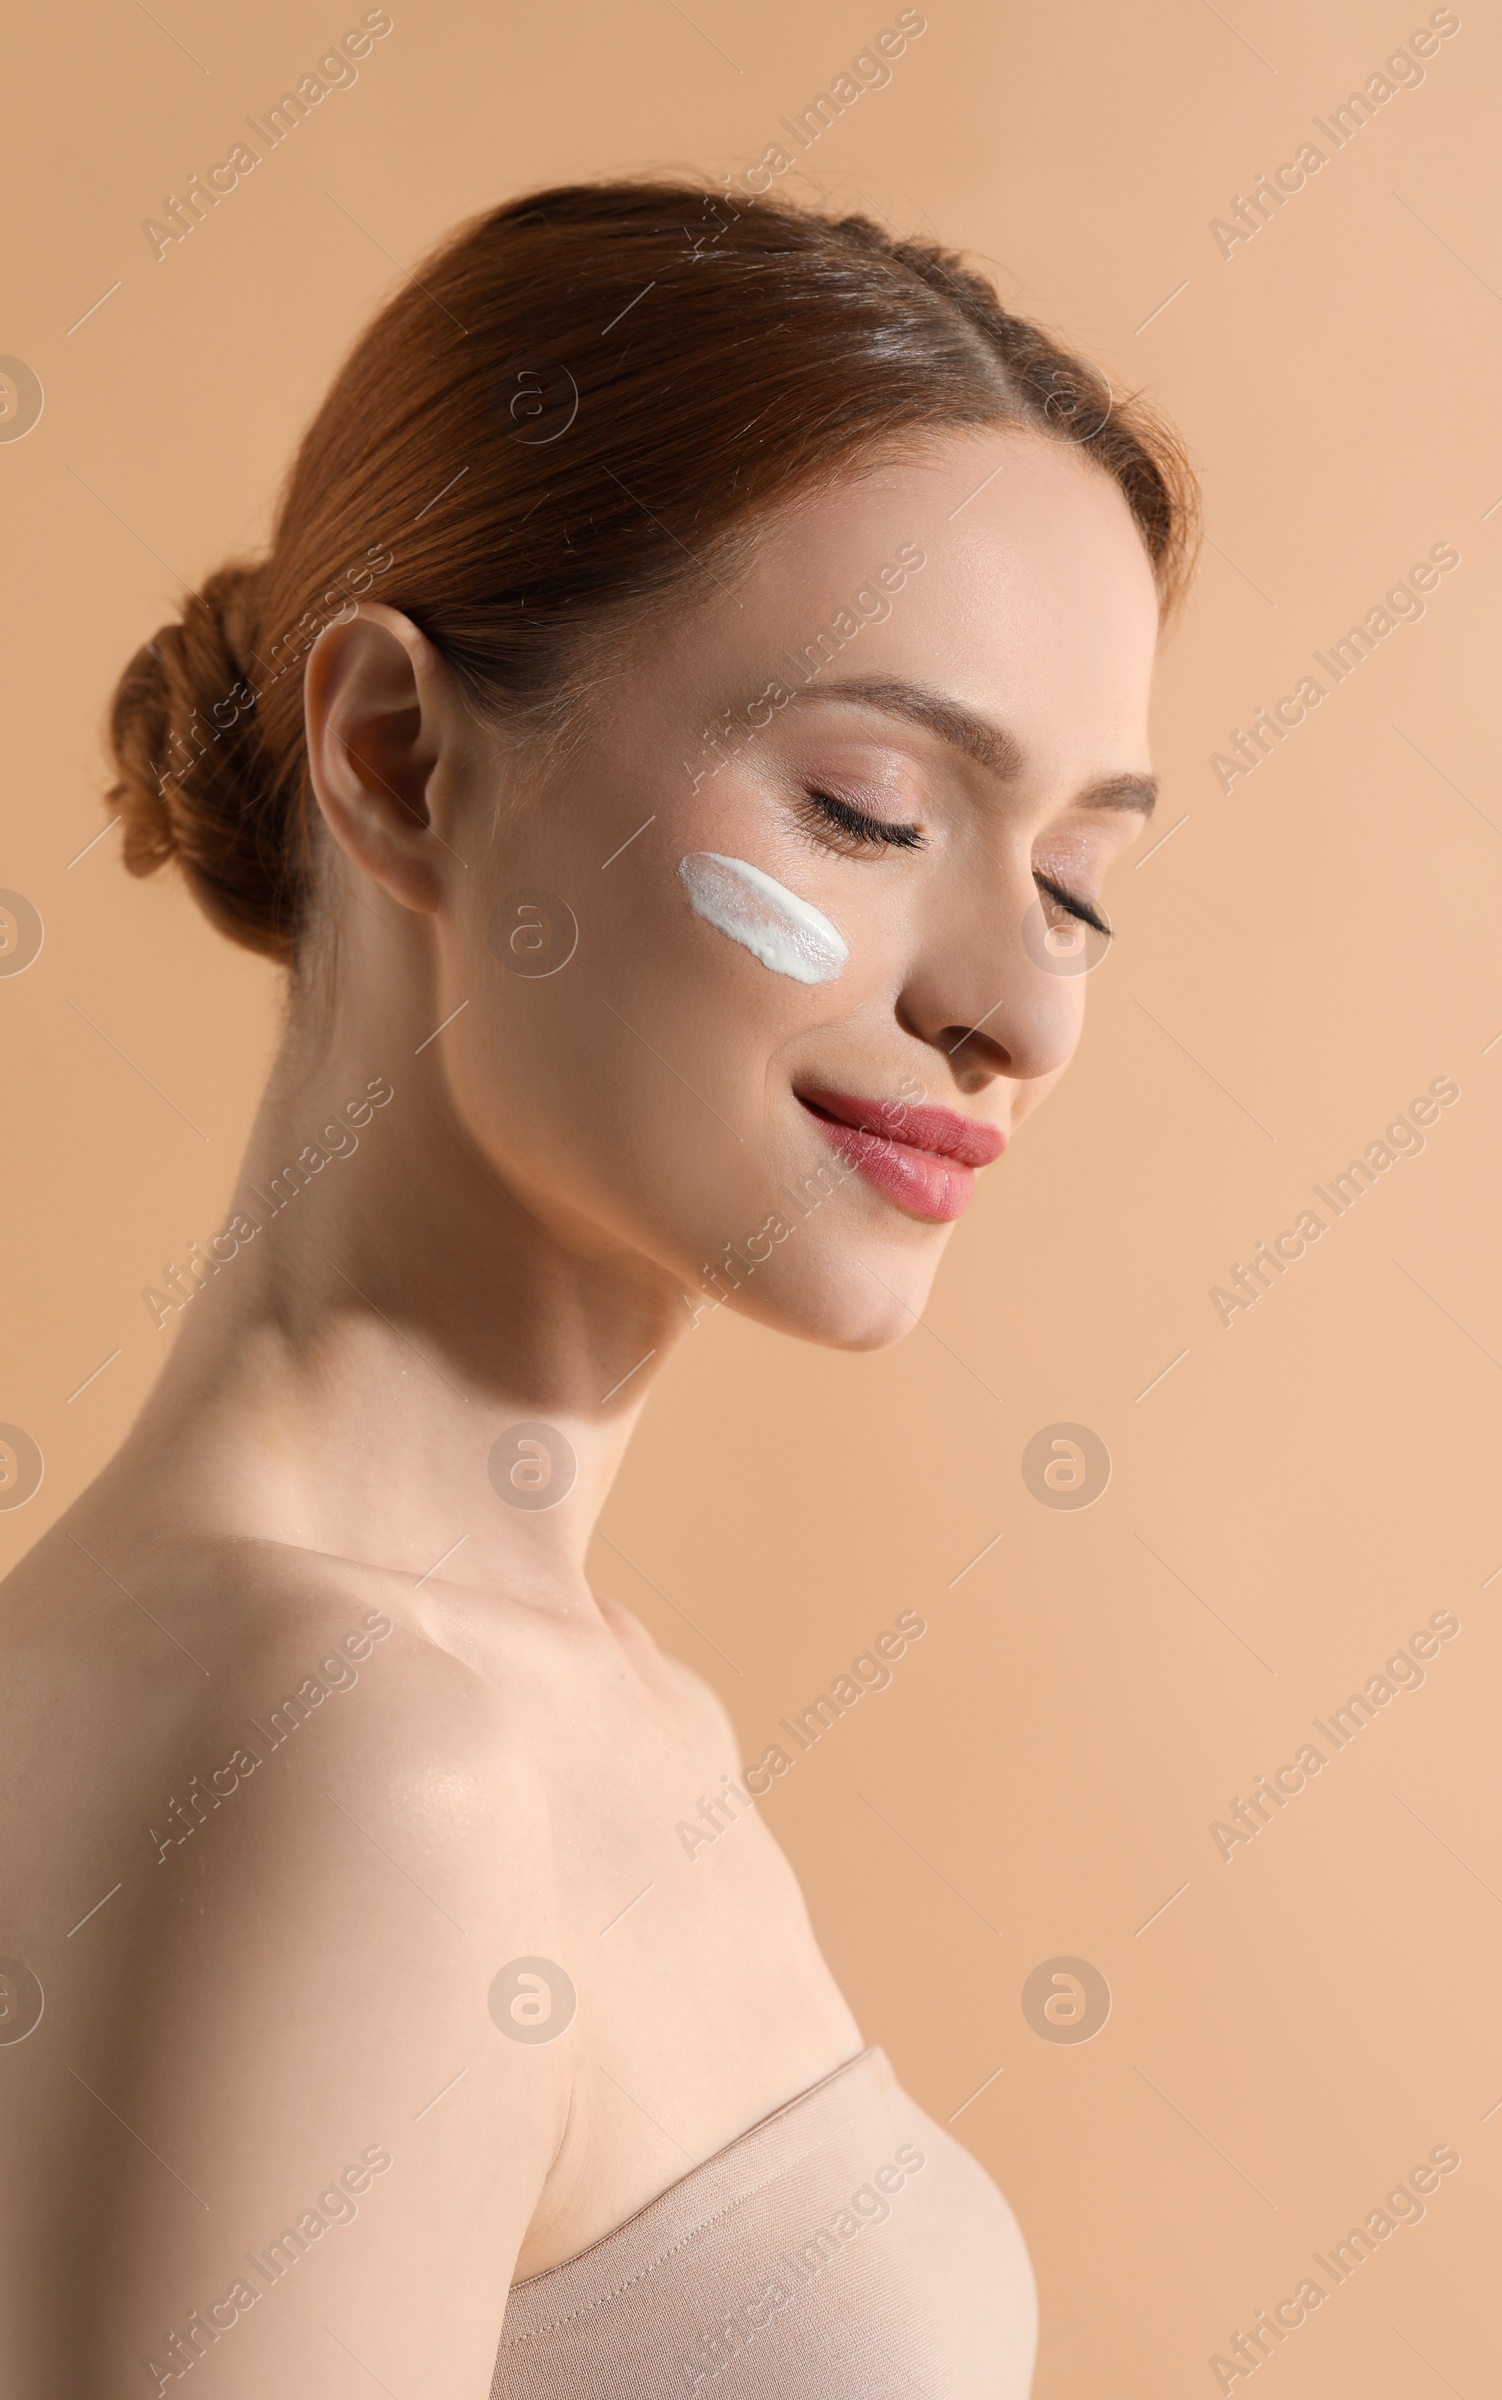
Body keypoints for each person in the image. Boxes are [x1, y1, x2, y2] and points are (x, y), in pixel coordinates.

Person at [0, 180, 1197, 2397]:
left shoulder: (545, 1701)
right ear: (393, 758)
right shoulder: (352, 1755)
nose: (1011, 1011)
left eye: (1075, 883)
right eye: (862, 809)